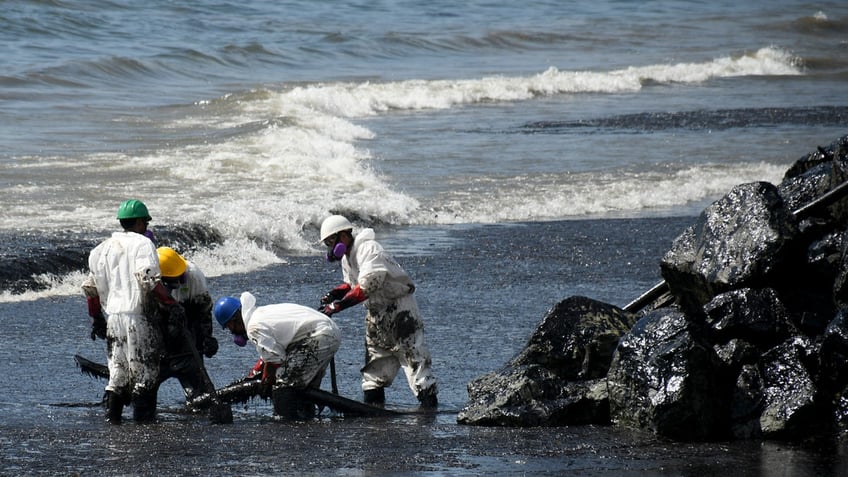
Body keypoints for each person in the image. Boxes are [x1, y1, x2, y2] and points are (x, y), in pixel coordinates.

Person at [82, 199, 186, 424]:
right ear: (140, 222)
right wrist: (171, 304)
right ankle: (144, 426)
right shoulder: (142, 244)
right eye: (145, 223)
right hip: (139, 318)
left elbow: (91, 289)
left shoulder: (100, 249)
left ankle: (113, 422)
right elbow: (147, 279)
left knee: (117, 373)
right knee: (145, 374)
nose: (146, 227)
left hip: (113, 319)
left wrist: (96, 318)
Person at [318, 215, 438, 408]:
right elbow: (352, 284)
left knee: (414, 360)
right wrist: (335, 294)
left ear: (344, 235)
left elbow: (368, 285)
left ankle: (429, 411)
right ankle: (375, 413)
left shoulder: (368, 249)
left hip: (400, 310)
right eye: (328, 244)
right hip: (377, 314)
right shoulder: (347, 258)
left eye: (332, 241)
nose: (331, 247)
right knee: (374, 369)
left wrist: (338, 306)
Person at [213, 292, 341, 419]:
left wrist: (266, 381)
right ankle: (306, 418)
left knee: (284, 385)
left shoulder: (253, 327)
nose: (232, 332)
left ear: (234, 320)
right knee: (304, 387)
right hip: (325, 332)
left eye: (229, 327)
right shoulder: (259, 314)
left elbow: (274, 359)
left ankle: (286, 424)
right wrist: (254, 373)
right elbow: (272, 352)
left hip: (319, 336)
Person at [155, 247, 232, 423]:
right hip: (161, 325)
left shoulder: (193, 274)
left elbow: (204, 310)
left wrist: (207, 338)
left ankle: (197, 400)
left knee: (198, 386)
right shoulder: (150, 277)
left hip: (188, 318)